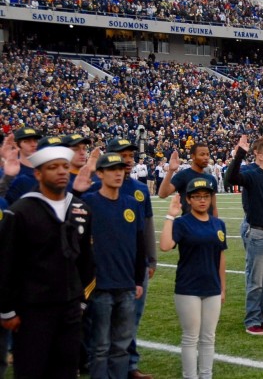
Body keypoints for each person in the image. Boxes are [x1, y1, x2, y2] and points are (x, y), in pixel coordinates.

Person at [0, 145, 94, 378]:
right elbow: (6, 263)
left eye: (64, 166)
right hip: (33, 310)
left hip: (70, 308)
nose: (61, 171)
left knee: (65, 370)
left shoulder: (80, 208)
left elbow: (86, 260)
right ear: (38, 174)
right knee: (32, 370)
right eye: (53, 167)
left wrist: (81, 301)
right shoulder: (20, 211)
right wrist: (7, 310)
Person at [81, 153, 146, 379]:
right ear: (100, 174)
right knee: (100, 347)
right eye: (112, 169)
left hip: (127, 286)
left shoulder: (132, 203)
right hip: (100, 286)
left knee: (121, 346)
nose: (118, 173)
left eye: (121, 168)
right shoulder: (88, 202)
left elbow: (140, 243)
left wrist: (138, 281)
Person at [159, 178, 227, 379]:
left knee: (208, 337)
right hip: (188, 287)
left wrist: (222, 287)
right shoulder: (181, 223)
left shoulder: (218, 223)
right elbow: (164, 246)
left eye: (206, 196)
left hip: (212, 287)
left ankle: (206, 375)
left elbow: (221, 257)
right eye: (197, 197)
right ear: (188, 199)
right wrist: (170, 217)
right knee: (191, 337)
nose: (202, 201)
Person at [225, 135, 263, 335]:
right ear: (259, 156)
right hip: (258, 234)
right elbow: (230, 179)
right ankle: (252, 320)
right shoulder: (251, 175)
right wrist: (239, 154)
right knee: (256, 281)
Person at [103, 139, 156, 379]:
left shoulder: (140, 189)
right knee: (105, 318)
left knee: (133, 316)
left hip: (136, 265)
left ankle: (130, 365)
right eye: (122, 155)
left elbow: (147, 227)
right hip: (109, 264)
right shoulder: (98, 187)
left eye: (130, 155)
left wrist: (151, 260)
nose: (127, 159)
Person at [158, 143, 218, 217]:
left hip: (208, 225)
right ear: (193, 156)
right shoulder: (183, 175)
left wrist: (216, 223)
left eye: (208, 154)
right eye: (202, 155)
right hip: (188, 224)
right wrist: (171, 171)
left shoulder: (211, 178)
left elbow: (214, 207)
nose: (206, 157)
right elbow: (162, 194)